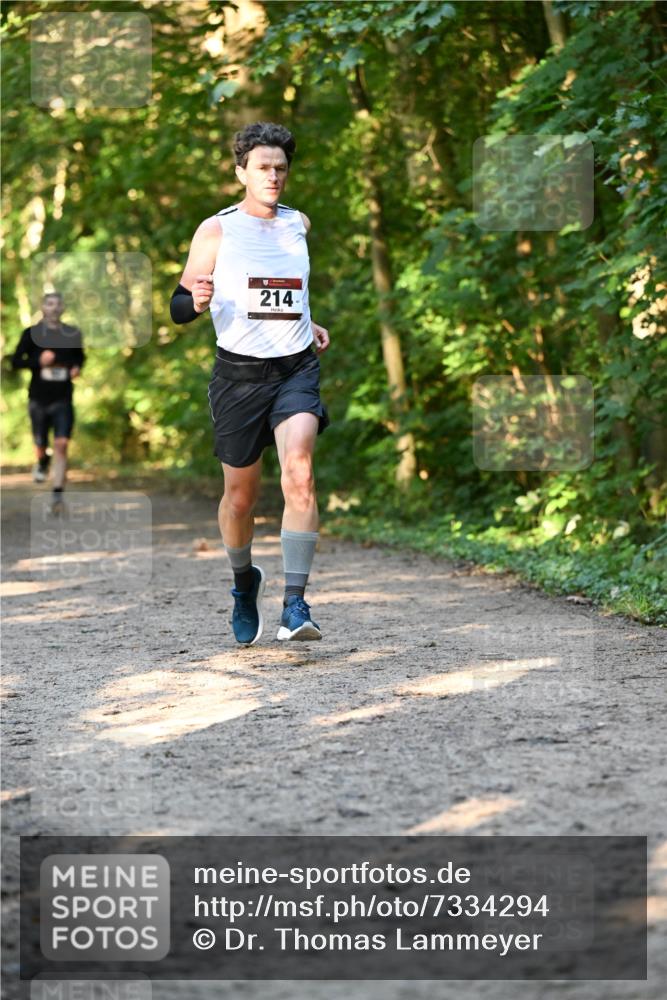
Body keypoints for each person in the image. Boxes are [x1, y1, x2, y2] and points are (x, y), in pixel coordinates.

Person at [170, 122, 330, 646]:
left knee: (300, 474)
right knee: (240, 500)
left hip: (295, 368)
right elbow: (177, 305)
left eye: (281, 167)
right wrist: (193, 302)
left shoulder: (298, 224)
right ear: (241, 172)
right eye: (263, 166)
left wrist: (310, 321)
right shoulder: (216, 230)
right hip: (237, 377)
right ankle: (244, 585)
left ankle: (295, 603)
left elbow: (289, 291)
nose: (274, 175)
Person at [11, 291, 85, 512]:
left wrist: (76, 368)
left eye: (58, 304)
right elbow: (15, 362)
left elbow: (80, 357)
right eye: (49, 304)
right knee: (40, 442)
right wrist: (38, 361)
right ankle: (42, 460)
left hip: (63, 397)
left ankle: (57, 496)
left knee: (62, 444)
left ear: (63, 308)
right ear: (43, 308)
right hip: (38, 399)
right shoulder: (31, 334)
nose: (54, 308)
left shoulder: (72, 333)